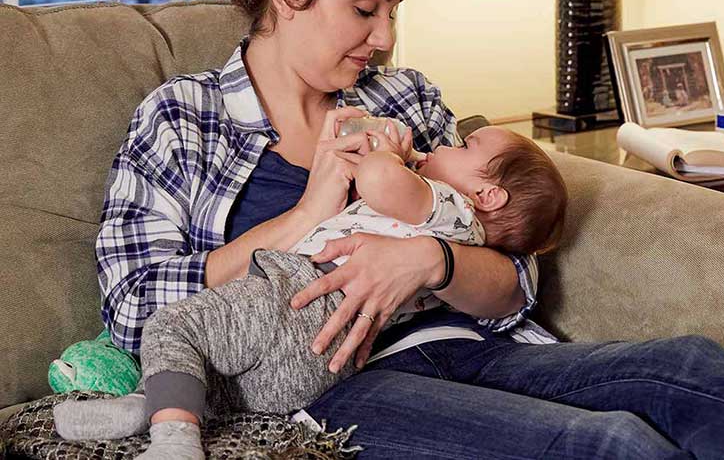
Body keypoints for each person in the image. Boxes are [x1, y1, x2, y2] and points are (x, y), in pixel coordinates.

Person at [87, 0, 724, 458]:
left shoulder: (405, 96)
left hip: (469, 342)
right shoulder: (185, 117)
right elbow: (135, 308)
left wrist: (435, 260)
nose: (387, 36)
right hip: (341, 378)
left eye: (395, 9)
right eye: (367, 9)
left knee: (684, 367)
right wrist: (307, 211)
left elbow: (516, 275)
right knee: (610, 444)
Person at [55, 123, 568, 458]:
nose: (443, 144)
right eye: (367, 9)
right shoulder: (453, 212)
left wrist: (387, 156)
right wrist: (310, 208)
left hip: (298, 293)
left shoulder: (448, 205)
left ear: (487, 194)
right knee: (234, 388)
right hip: (330, 356)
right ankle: (153, 409)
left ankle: (171, 439)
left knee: (173, 325)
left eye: (463, 147)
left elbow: (382, 185)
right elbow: (130, 299)